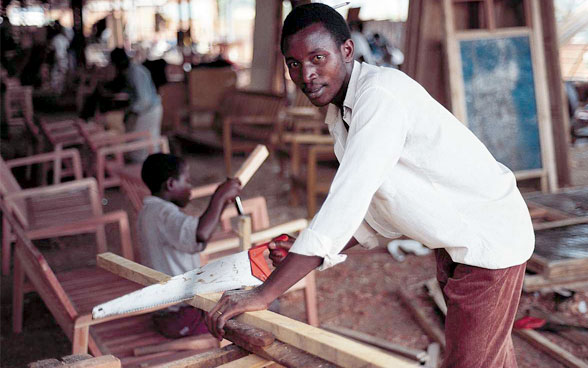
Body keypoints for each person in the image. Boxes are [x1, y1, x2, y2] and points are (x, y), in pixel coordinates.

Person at [205, 4, 534, 368]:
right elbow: (379, 210)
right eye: (294, 64)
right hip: (454, 241)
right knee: (489, 358)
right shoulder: (342, 113)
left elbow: (348, 198)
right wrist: (305, 251)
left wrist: (265, 293)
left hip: (487, 241)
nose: (307, 74)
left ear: (347, 51)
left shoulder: (379, 97)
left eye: (318, 57)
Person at [138, 153, 242, 337]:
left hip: (166, 312)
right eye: (187, 181)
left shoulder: (150, 210)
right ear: (171, 184)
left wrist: (223, 201)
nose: (190, 188)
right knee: (258, 309)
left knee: (240, 291)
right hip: (181, 315)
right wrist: (218, 197)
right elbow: (200, 233)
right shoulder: (164, 214)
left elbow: (201, 235)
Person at [110, 47, 163, 162]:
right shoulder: (131, 71)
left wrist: (132, 113)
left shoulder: (135, 71)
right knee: (146, 145)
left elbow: (144, 100)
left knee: (143, 145)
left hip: (149, 110)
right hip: (149, 109)